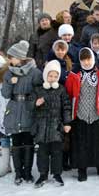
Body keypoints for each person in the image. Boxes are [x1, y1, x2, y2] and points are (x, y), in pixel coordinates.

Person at [65, 48, 99, 181]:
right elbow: (69, 94)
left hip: (97, 113)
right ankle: (82, 169)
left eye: (88, 59)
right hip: (80, 114)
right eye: (83, 60)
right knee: (81, 143)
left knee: (98, 142)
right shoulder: (74, 76)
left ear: (93, 59)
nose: (86, 62)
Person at [2, 40, 43, 185]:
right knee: (16, 142)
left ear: (19, 57)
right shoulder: (8, 73)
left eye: (11, 57)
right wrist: (9, 83)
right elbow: (5, 94)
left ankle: (27, 172)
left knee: (28, 142)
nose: (9, 60)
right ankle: (18, 172)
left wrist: (32, 103)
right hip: (13, 110)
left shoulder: (35, 72)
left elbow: (38, 91)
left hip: (28, 109)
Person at [32, 60, 72, 188]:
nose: (52, 78)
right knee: (42, 152)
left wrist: (67, 122)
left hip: (56, 127)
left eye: (55, 76)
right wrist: (35, 103)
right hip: (42, 127)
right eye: (50, 75)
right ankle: (43, 174)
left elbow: (66, 107)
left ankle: (57, 173)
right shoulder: (38, 89)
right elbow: (29, 105)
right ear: (45, 75)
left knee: (57, 152)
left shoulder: (61, 90)